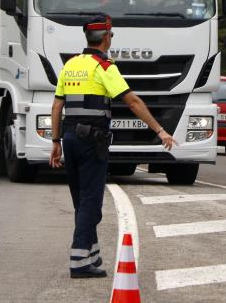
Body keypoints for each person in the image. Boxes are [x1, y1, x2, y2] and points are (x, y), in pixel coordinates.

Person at [49, 14, 176, 278]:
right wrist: (160, 130)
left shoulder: (70, 64)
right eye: (112, 35)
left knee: (81, 201)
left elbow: (58, 104)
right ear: (106, 37)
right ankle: (79, 262)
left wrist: (55, 141)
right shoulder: (104, 67)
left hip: (69, 139)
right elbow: (133, 102)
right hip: (91, 141)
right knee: (91, 202)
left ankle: (91, 255)